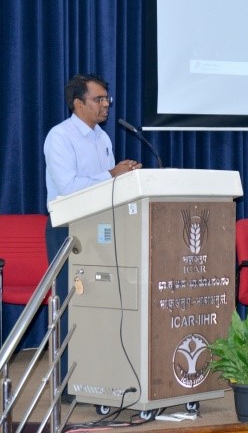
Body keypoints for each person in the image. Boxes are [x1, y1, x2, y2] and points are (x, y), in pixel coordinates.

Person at [43, 73, 142, 395]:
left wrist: (125, 179)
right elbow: (69, 187)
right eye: (99, 99)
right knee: (72, 304)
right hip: (68, 230)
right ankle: (67, 384)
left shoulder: (102, 138)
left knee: (103, 302)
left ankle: (100, 376)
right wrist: (111, 174)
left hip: (101, 227)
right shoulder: (60, 137)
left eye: (106, 99)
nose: (106, 105)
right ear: (78, 103)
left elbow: (106, 188)